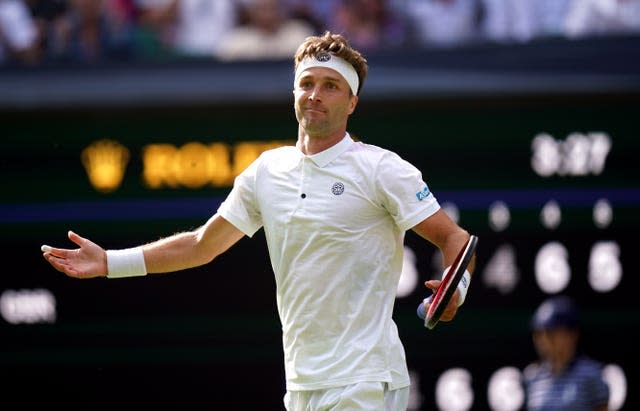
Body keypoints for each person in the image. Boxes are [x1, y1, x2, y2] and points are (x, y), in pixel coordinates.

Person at [41, 31, 475, 411]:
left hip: (365, 379)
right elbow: (201, 245)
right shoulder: (266, 172)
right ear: (293, 94)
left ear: (352, 102)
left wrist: (458, 288)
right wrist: (109, 263)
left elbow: (454, 238)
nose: (315, 95)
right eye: (306, 84)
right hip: (301, 384)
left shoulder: (383, 169)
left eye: (330, 86)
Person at [523, 295, 610, 411]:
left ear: (572, 335)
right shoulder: (531, 376)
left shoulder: (591, 374)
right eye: (538, 334)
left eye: (551, 333)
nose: (543, 340)